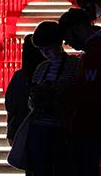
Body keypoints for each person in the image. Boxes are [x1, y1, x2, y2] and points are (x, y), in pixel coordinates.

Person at [58, 8, 101, 176]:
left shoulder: (95, 54)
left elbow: (91, 96)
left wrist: (65, 92)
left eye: (67, 36)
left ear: (77, 29)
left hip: (88, 128)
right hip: (97, 128)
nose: (67, 42)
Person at [26, 21, 80, 176]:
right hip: (40, 125)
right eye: (42, 50)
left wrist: (55, 92)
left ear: (58, 43)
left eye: (47, 48)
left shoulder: (75, 64)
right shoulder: (41, 68)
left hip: (61, 127)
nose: (45, 53)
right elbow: (31, 100)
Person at [5, 34, 46, 148]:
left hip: (21, 126)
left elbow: (10, 105)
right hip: (46, 127)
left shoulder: (20, 76)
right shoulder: (50, 73)